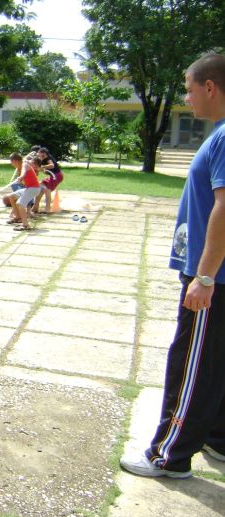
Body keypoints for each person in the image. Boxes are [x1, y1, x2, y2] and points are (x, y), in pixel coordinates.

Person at [119, 53, 225, 480]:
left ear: (211, 87)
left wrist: (204, 275)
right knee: (215, 363)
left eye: (188, 87)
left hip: (212, 278)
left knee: (191, 364)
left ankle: (169, 454)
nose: (187, 96)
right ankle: (217, 440)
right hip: (215, 275)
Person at [7, 153, 40, 231]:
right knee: (11, 196)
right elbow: (25, 180)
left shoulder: (24, 164)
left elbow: (24, 173)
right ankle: (18, 217)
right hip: (28, 188)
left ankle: (26, 225)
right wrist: (21, 180)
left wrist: (21, 177)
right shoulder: (20, 167)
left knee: (20, 204)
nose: (11, 164)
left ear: (15, 161)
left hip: (34, 189)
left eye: (11, 162)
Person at [31, 147, 64, 214]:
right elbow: (42, 169)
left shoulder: (48, 158)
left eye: (39, 153)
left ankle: (47, 209)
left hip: (56, 176)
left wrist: (42, 167)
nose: (38, 154)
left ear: (44, 154)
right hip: (53, 176)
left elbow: (52, 165)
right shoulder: (43, 159)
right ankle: (35, 206)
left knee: (47, 190)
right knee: (41, 186)